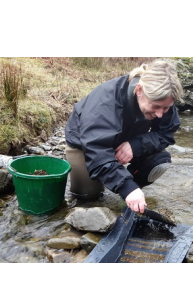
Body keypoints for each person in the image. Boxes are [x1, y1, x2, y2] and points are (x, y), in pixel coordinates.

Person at [64, 59, 183, 214]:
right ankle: (127, 188)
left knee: (160, 159)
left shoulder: (162, 99)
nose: (160, 114)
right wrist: (127, 188)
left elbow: (166, 133)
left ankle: (131, 188)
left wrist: (136, 145)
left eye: (166, 108)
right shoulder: (105, 102)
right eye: (155, 107)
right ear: (139, 90)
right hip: (85, 145)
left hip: (124, 139)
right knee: (88, 198)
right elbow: (97, 151)